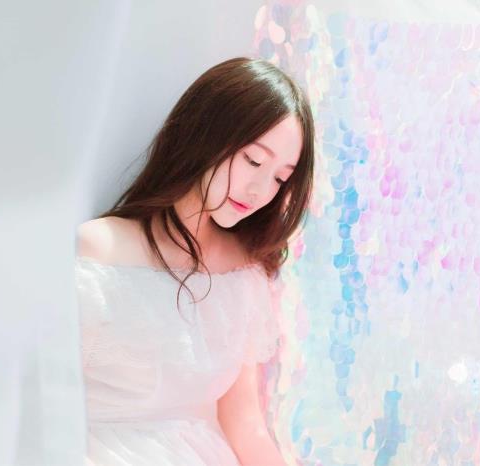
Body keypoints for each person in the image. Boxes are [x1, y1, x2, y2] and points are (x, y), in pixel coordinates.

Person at [75, 57, 315, 465]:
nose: (260, 189)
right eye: (253, 161)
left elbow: (246, 425)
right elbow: (41, 401)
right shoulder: (101, 252)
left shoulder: (243, 271)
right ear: (205, 134)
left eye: (280, 178)